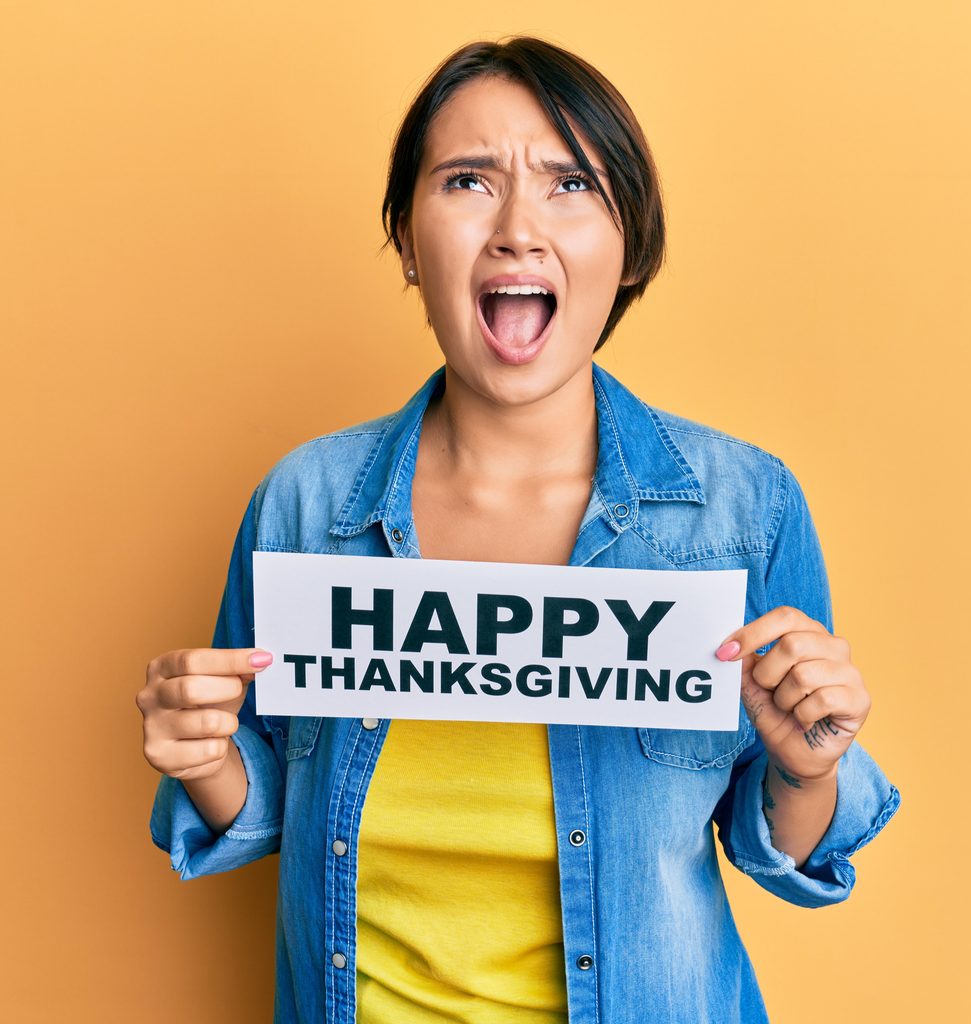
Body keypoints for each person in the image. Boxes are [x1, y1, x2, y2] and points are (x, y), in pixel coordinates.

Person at [137, 36, 901, 1024]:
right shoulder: (304, 505)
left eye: (569, 183)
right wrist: (205, 758)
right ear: (409, 241)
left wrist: (809, 765)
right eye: (466, 180)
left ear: (629, 244)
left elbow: (785, 850)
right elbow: (272, 805)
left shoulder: (742, 509)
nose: (516, 230)